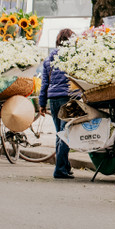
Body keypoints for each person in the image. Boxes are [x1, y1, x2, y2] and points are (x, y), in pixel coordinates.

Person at [39, 29, 77, 179]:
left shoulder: (49, 60)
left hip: (53, 100)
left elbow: (44, 85)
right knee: (65, 134)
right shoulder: (72, 58)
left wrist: (41, 104)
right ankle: (60, 169)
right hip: (68, 98)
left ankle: (65, 166)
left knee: (60, 133)